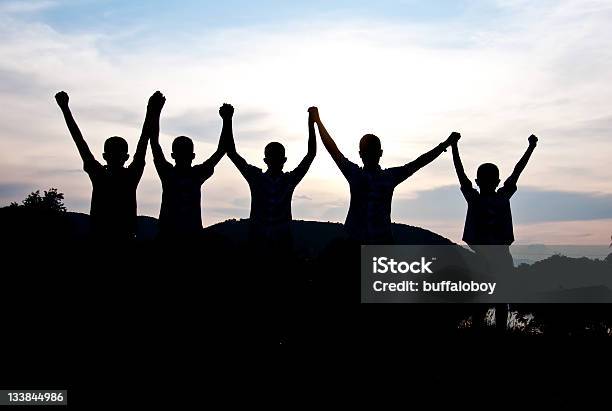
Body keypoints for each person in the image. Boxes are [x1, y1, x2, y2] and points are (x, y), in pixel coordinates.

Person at [313, 108, 460, 244]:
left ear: (379, 153)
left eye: (372, 151)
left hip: (375, 242)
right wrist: (318, 122)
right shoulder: (373, 176)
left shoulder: (371, 176)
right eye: (368, 151)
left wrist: (444, 144)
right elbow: (332, 149)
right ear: (363, 154)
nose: (370, 155)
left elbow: (419, 162)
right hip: (359, 243)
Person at [451, 134, 539, 332]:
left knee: (482, 303)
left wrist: (454, 146)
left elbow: (460, 173)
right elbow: (518, 170)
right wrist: (531, 148)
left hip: (482, 258)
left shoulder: (475, 198)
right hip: (500, 258)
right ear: (498, 181)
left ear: (478, 181)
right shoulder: (501, 197)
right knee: (498, 303)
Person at [55, 90, 164, 240]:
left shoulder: (100, 174)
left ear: (104, 156)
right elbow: (143, 140)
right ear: (126, 157)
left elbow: (79, 141)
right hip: (121, 236)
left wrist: (65, 109)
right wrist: (151, 111)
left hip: (102, 236)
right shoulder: (130, 176)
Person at [224, 106, 317, 250]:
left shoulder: (265, 178)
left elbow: (311, 154)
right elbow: (231, 152)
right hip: (262, 243)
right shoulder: (268, 179)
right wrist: (227, 120)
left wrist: (227, 119)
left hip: (276, 243)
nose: (274, 160)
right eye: (273, 156)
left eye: (276, 156)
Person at [150, 96, 227, 239]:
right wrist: (227, 120)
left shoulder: (168, 173)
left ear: (173, 155)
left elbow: (154, 142)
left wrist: (155, 111)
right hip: (182, 236)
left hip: (175, 236)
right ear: (193, 156)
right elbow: (221, 150)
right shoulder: (194, 174)